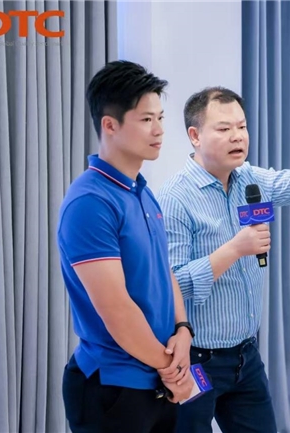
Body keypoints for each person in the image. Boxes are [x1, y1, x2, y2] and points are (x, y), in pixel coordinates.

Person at [157, 86, 290, 432]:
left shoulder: (250, 179)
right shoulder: (175, 198)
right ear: (195, 136)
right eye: (224, 128)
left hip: (245, 357)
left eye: (242, 126)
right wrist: (234, 249)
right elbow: (173, 286)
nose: (237, 136)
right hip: (196, 359)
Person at [58, 60, 195, 433]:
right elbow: (116, 309)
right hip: (113, 385)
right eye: (146, 119)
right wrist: (171, 369)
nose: (159, 130)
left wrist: (183, 330)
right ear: (110, 125)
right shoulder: (90, 201)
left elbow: (164, 271)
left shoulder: (142, 192)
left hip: (157, 379)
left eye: (160, 118)